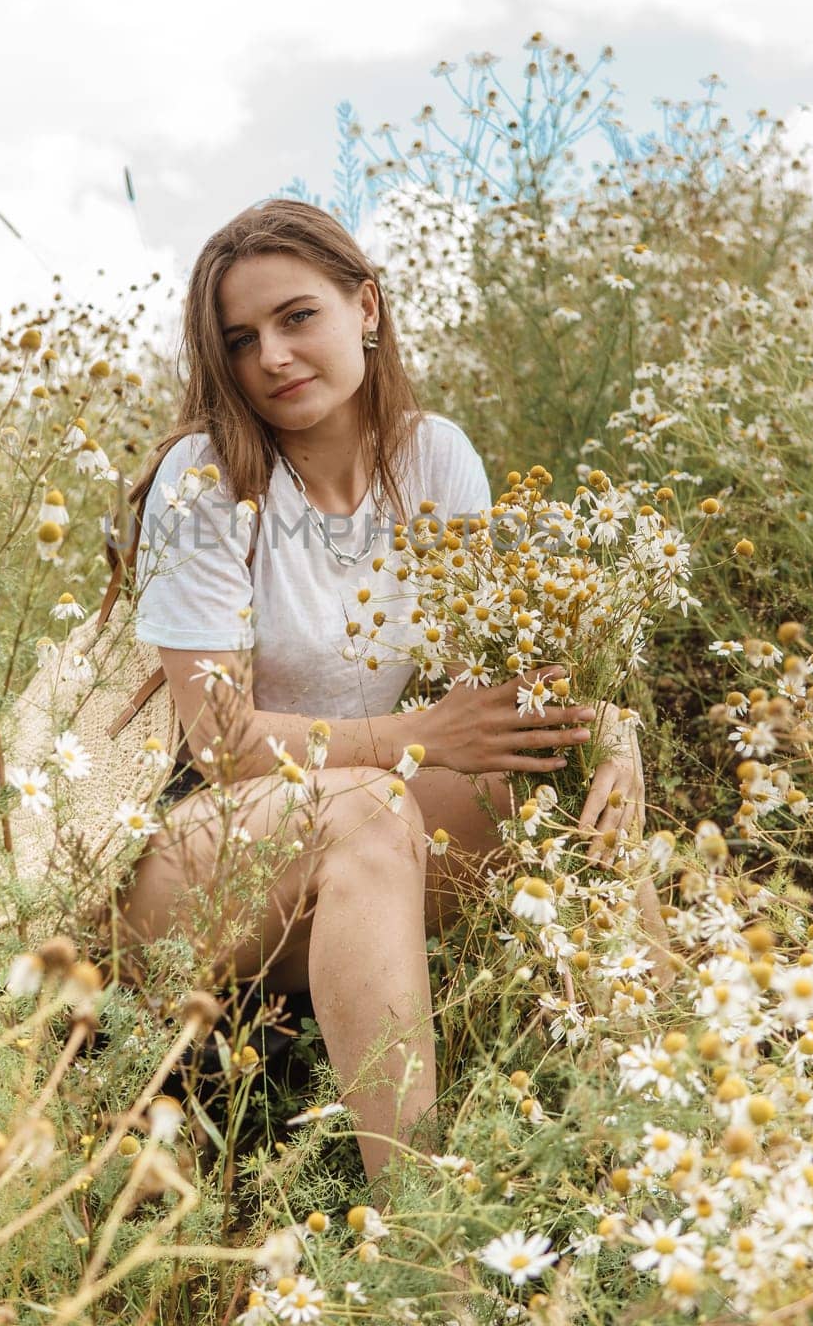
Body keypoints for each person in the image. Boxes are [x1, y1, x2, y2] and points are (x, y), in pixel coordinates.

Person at [113, 198, 649, 1193]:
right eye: (239, 340)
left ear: (365, 306)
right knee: (366, 804)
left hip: (356, 832)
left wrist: (605, 732)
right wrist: (410, 735)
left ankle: (659, 1146)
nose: (270, 355)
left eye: (295, 317)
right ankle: (419, 1234)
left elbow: (498, 671)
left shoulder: (433, 456)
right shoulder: (205, 473)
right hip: (198, 859)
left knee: (559, 790)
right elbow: (219, 741)